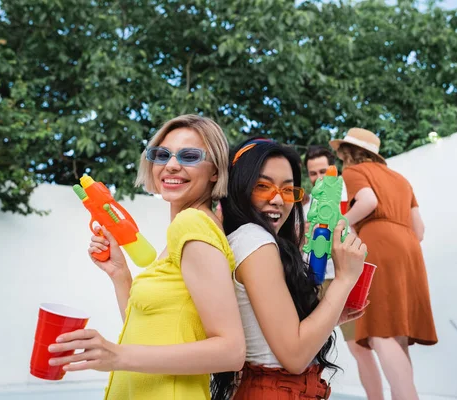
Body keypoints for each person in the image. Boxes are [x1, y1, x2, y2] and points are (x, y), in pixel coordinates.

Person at [48, 115, 246, 400]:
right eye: (161, 155)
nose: (171, 165)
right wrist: (120, 274)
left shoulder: (191, 225)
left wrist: (117, 355)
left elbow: (231, 351)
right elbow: (150, 329)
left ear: (215, 171)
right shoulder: (185, 230)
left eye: (189, 156)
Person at [215, 138, 367, 399]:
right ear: (239, 187)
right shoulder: (254, 239)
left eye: (288, 190)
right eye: (262, 186)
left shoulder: (247, 239)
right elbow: (294, 356)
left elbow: (268, 333)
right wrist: (344, 278)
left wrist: (329, 317)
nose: (277, 199)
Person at [329, 128, 438, 400]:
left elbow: (368, 201)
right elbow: (420, 230)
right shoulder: (401, 180)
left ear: (350, 154)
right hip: (410, 249)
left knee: (379, 330)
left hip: (379, 243)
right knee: (398, 332)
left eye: (343, 156)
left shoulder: (354, 171)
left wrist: (342, 222)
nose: (342, 161)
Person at [302, 145, 357, 344]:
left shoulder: (347, 196)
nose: (318, 177)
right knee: (319, 342)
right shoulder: (306, 207)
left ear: (333, 170)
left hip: (346, 276)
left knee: (358, 342)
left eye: (323, 171)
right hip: (317, 281)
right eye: (313, 173)